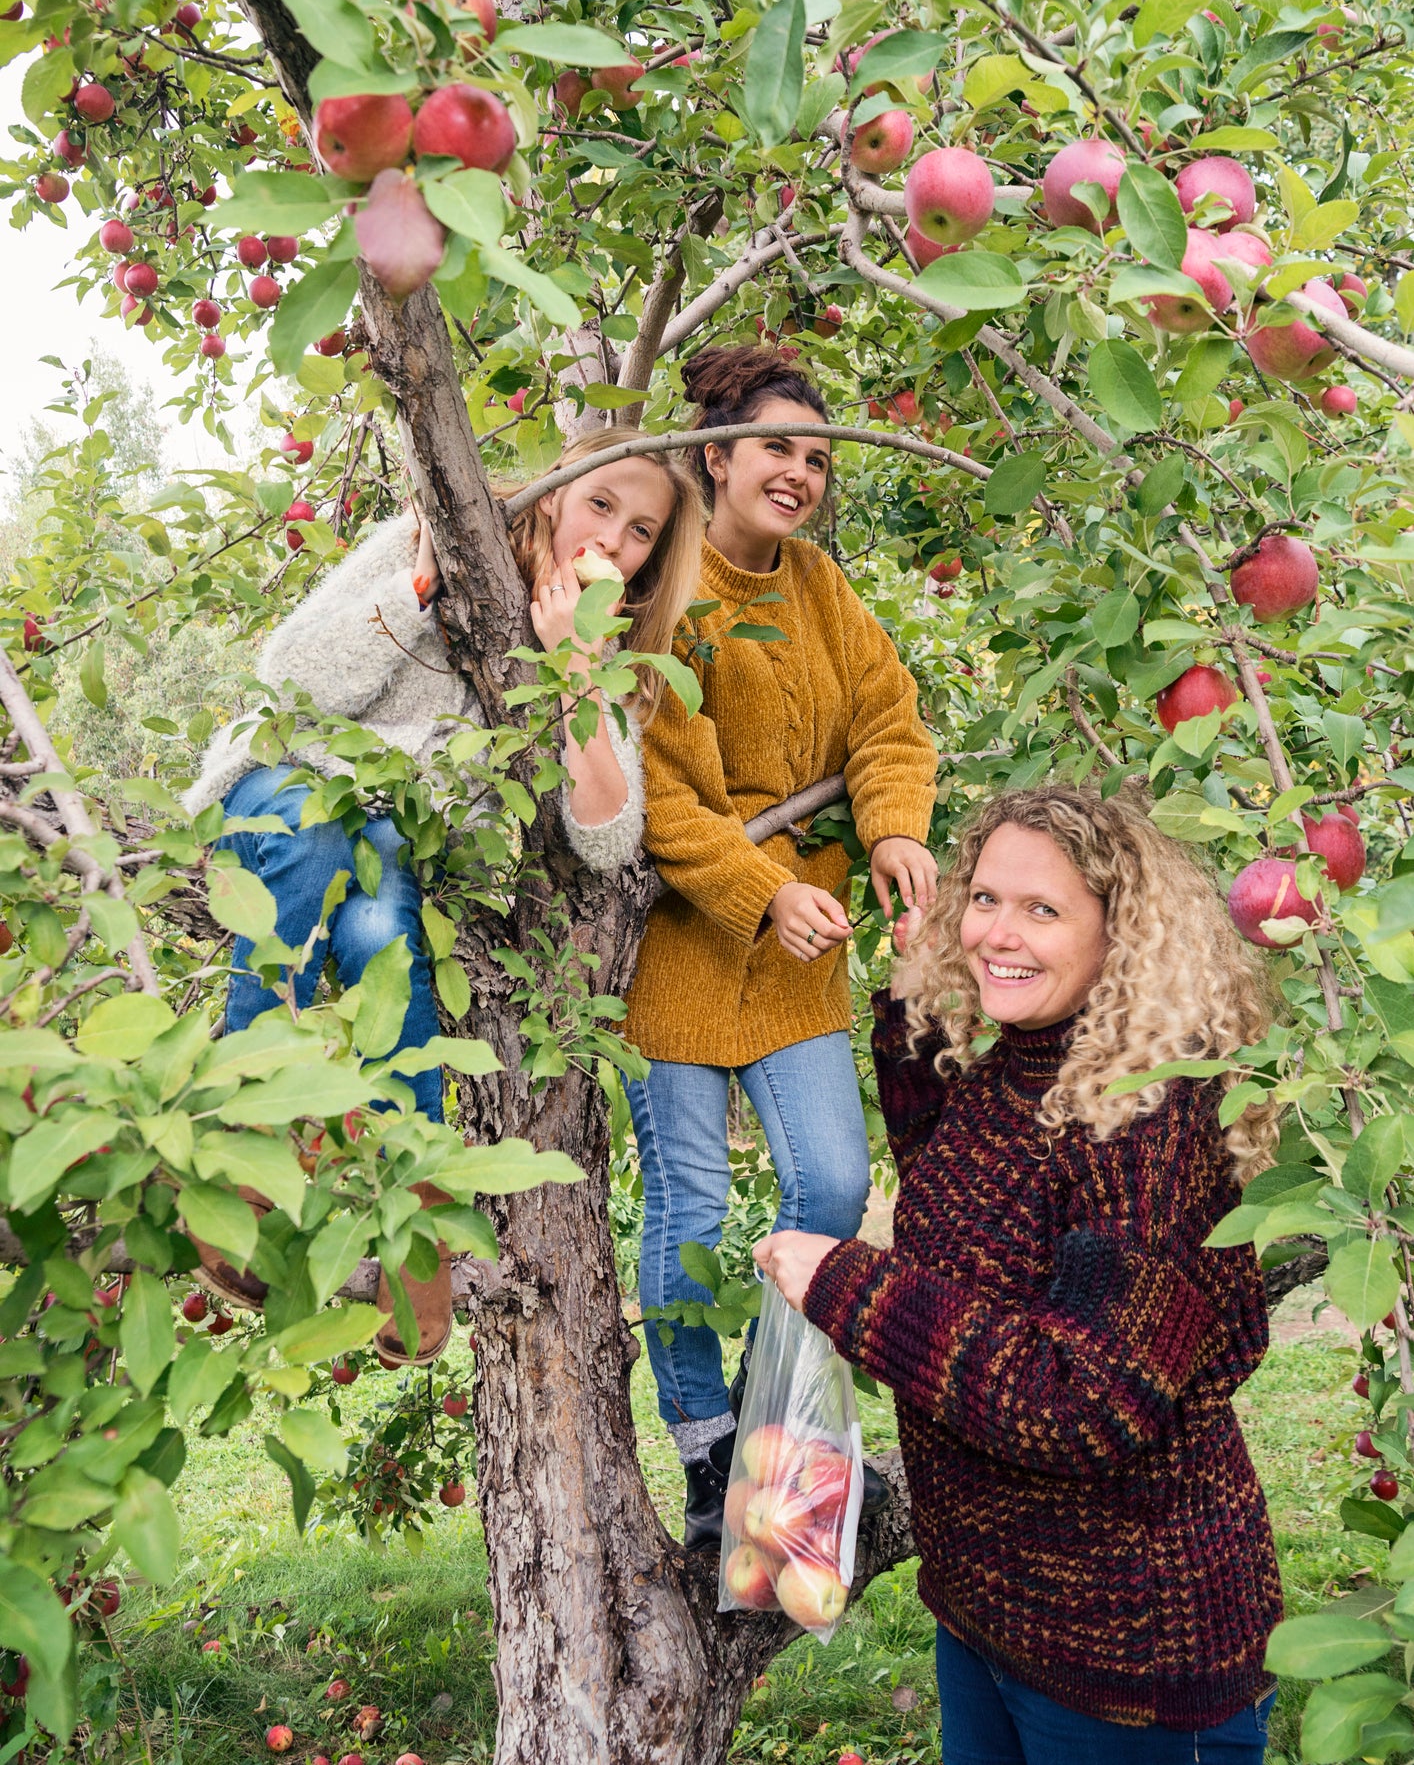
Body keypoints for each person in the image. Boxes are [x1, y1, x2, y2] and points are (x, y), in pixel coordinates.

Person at [756, 784, 1282, 1765]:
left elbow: (1083, 1401)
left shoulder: (1150, 1123)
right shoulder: (1023, 1067)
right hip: (991, 1615)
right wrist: (917, 997)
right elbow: (967, 1199)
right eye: (985, 898)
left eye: (1042, 909)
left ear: (1118, 933)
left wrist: (849, 1286)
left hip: (1128, 1656)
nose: (999, 930)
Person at [184, 433, 704, 1361]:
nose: (615, 541)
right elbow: (288, 676)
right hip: (289, 780)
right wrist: (414, 595)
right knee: (312, 837)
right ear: (551, 493)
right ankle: (246, 1122)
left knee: (387, 921)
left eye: (640, 533)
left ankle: (409, 1211)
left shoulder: (593, 647)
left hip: (395, 835)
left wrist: (575, 668)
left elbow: (607, 836)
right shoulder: (421, 541)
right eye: (599, 507)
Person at [623, 341, 939, 1545]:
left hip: (801, 943)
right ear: (714, 455)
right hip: (683, 949)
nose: (799, 474)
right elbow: (658, 798)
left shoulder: (813, 583)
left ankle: (775, 1431)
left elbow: (886, 721)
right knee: (691, 1209)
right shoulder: (663, 589)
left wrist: (894, 829)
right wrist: (758, 889)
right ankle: (708, 1457)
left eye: (815, 458)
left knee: (831, 1184)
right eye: (776, 450)